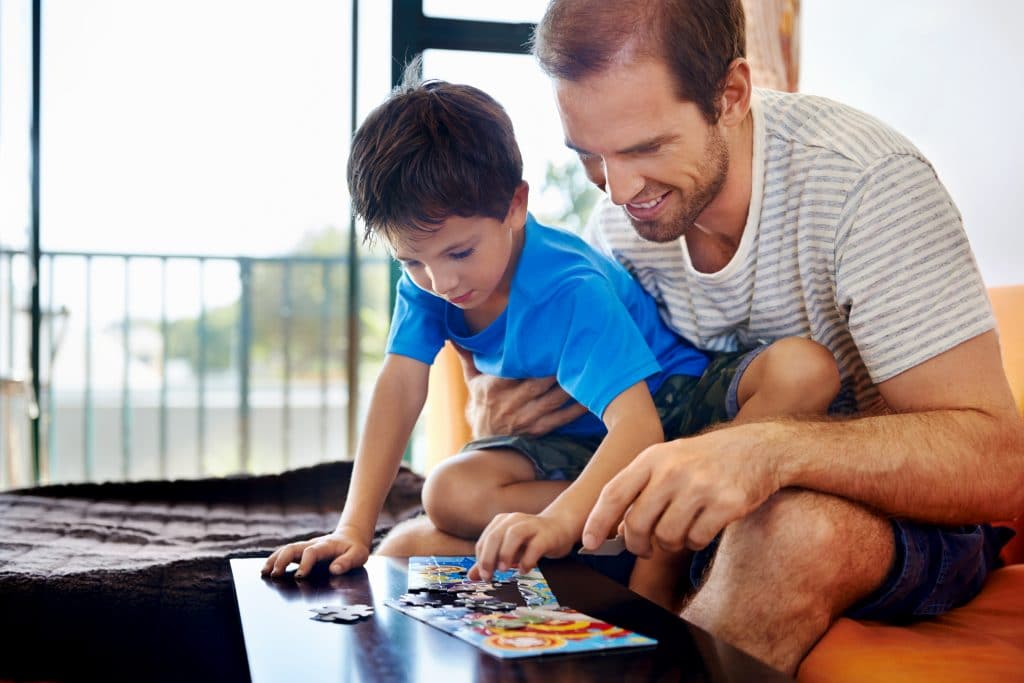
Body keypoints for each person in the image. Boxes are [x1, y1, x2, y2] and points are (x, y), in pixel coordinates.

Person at [376, 0, 1024, 675]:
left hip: (886, 518)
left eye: (645, 147)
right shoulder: (622, 223)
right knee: (415, 545)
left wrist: (766, 452)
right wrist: (504, 412)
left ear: (733, 94)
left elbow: (1000, 465)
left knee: (786, 534)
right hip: (681, 510)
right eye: (590, 156)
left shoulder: (864, 185)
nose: (619, 189)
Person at [260, 64, 843, 606]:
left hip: (674, 411)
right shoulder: (431, 281)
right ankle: (617, 527)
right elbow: (400, 387)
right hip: (580, 441)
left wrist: (562, 521)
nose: (441, 280)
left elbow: (638, 426)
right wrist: (353, 528)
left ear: (516, 206)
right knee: (446, 494)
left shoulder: (569, 285)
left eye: (460, 252)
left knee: (804, 369)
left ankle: (663, 547)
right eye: (411, 261)